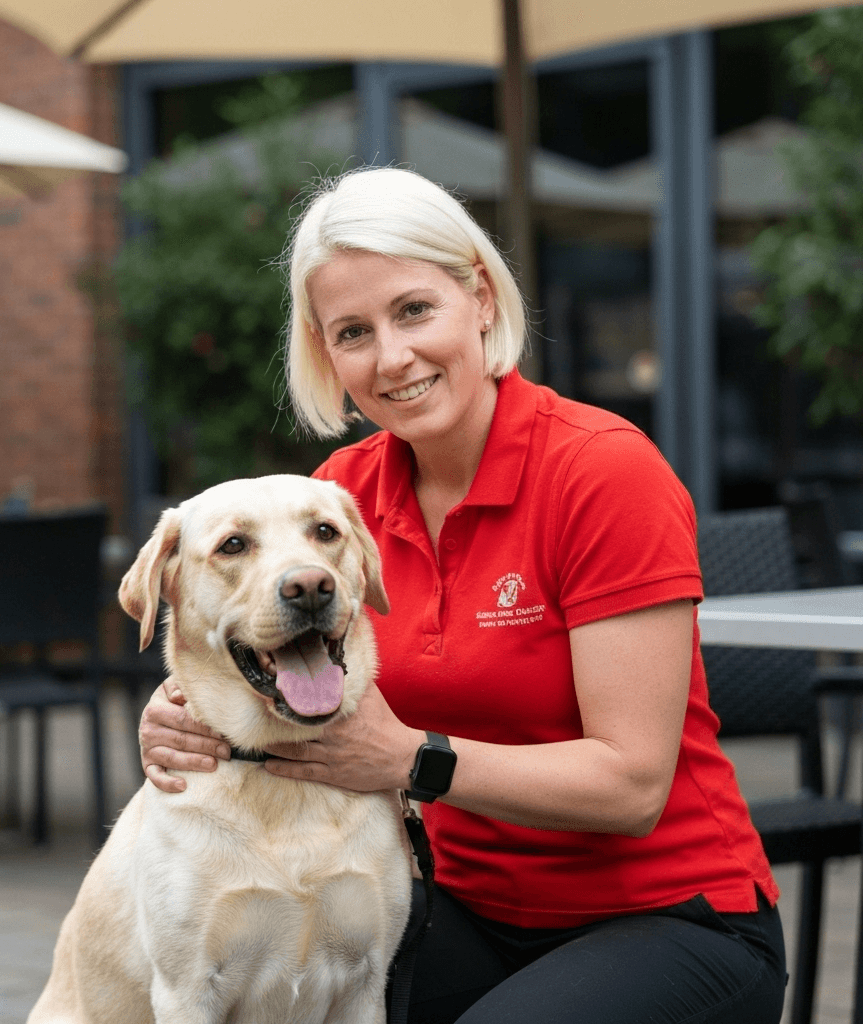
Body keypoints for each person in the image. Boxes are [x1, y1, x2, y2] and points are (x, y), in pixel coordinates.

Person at [137, 167, 786, 1024]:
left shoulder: (602, 471)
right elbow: (265, 643)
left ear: (479, 298)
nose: (393, 357)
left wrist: (412, 760)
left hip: (671, 916)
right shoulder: (334, 502)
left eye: (415, 310)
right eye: (353, 332)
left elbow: (632, 787)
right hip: (458, 907)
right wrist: (188, 712)